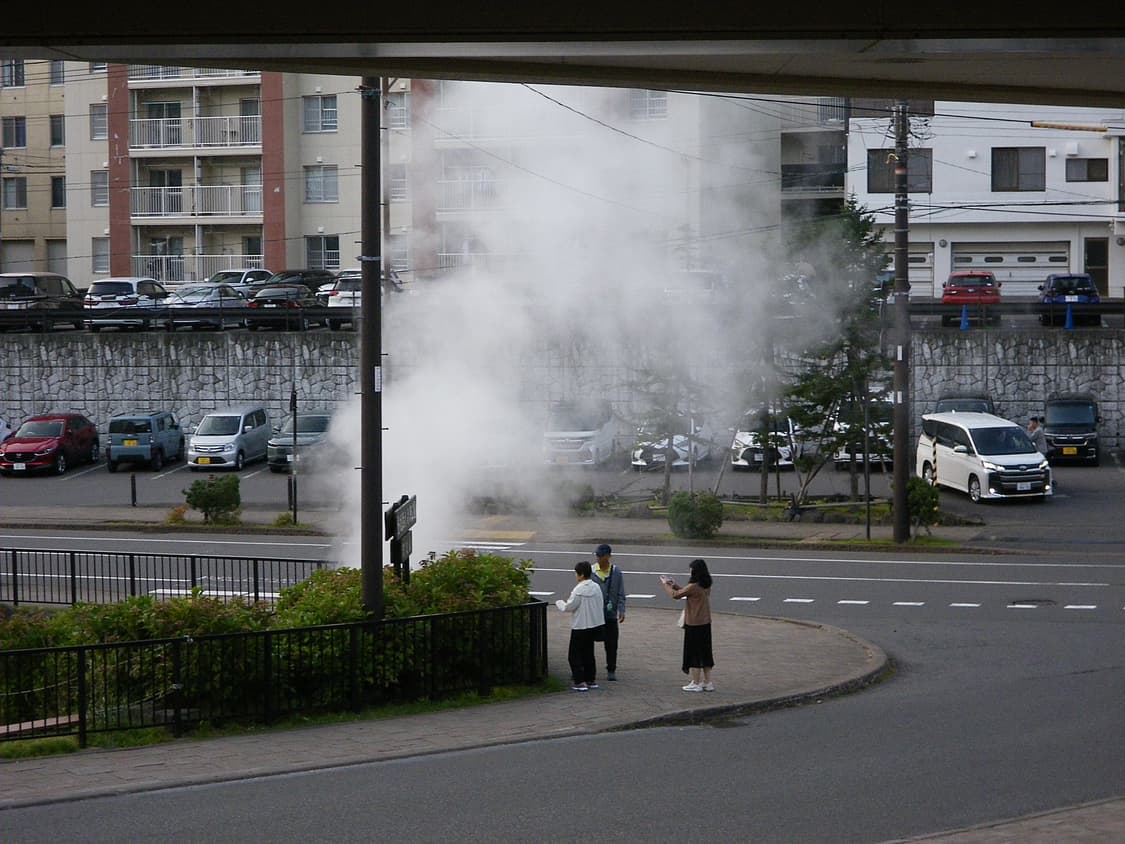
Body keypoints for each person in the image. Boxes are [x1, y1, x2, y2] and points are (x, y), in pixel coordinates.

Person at [660, 559, 715, 692]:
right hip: (705, 623)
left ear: (695, 571)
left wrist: (666, 585)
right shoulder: (705, 584)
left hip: (694, 623)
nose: (689, 571)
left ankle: (696, 683)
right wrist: (675, 585)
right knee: (705, 653)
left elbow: (676, 595)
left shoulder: (694, 586)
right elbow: (686, 591)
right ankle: (708, 682)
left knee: (694, 653)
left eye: (691, 569)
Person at [555, 561, 605, 691]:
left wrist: (559, 603)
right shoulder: (596, 587)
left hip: (580, 626)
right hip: (594, 625)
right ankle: (591, 680)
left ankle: (579, 681)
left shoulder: (579, 589)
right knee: (589, 653)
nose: (576, 576)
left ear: (581, 575)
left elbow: (569, 606)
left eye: (577, 573)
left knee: (574, 654)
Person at [591, 543, 626, 680]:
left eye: (601, 556)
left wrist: (622, 610)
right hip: (594, 614)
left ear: (608, 556)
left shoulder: (616, 572)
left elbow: (621, 592)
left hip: (610, 615)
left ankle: (611, 669)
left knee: (611, 643)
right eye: (597, 555)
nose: (598, 558)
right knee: (587, 642)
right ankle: (586, 669)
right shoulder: (592, 571)